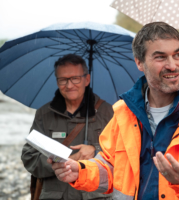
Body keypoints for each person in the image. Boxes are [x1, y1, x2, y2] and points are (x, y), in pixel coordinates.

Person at [49, 22, 179, 200]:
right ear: (139, 63)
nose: (172, 66)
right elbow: (110, 168)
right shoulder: (123, 112)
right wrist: (80, 172)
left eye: (177, 54)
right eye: (160, 57)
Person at [21, 54, 113, 200]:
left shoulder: (109, 112)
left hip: (95, 196)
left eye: (75, 78)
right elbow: (29, 157)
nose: (69, 85)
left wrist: (95, 152)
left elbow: (121, 158)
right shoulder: (44, 114)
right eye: (63, 80)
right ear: (57, 82)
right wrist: (65, 162)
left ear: (87, 79)